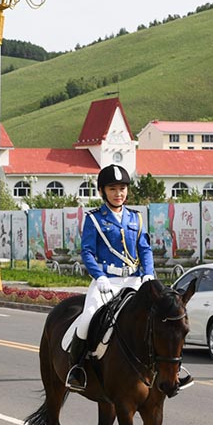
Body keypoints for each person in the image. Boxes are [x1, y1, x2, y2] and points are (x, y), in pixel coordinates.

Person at [65, 164, 193, 391]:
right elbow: (87, 252)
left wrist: (148, 274)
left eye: (122, 188)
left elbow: (144, 249)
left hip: (135, 280)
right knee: (87, 320)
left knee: (161, 319)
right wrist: (99, 276)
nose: (118, 193)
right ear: (102, 191)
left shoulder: (136, 218)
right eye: (113, 189)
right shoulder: (94, 219)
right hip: (106, 281)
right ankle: (77, 370)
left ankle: (172, 368)